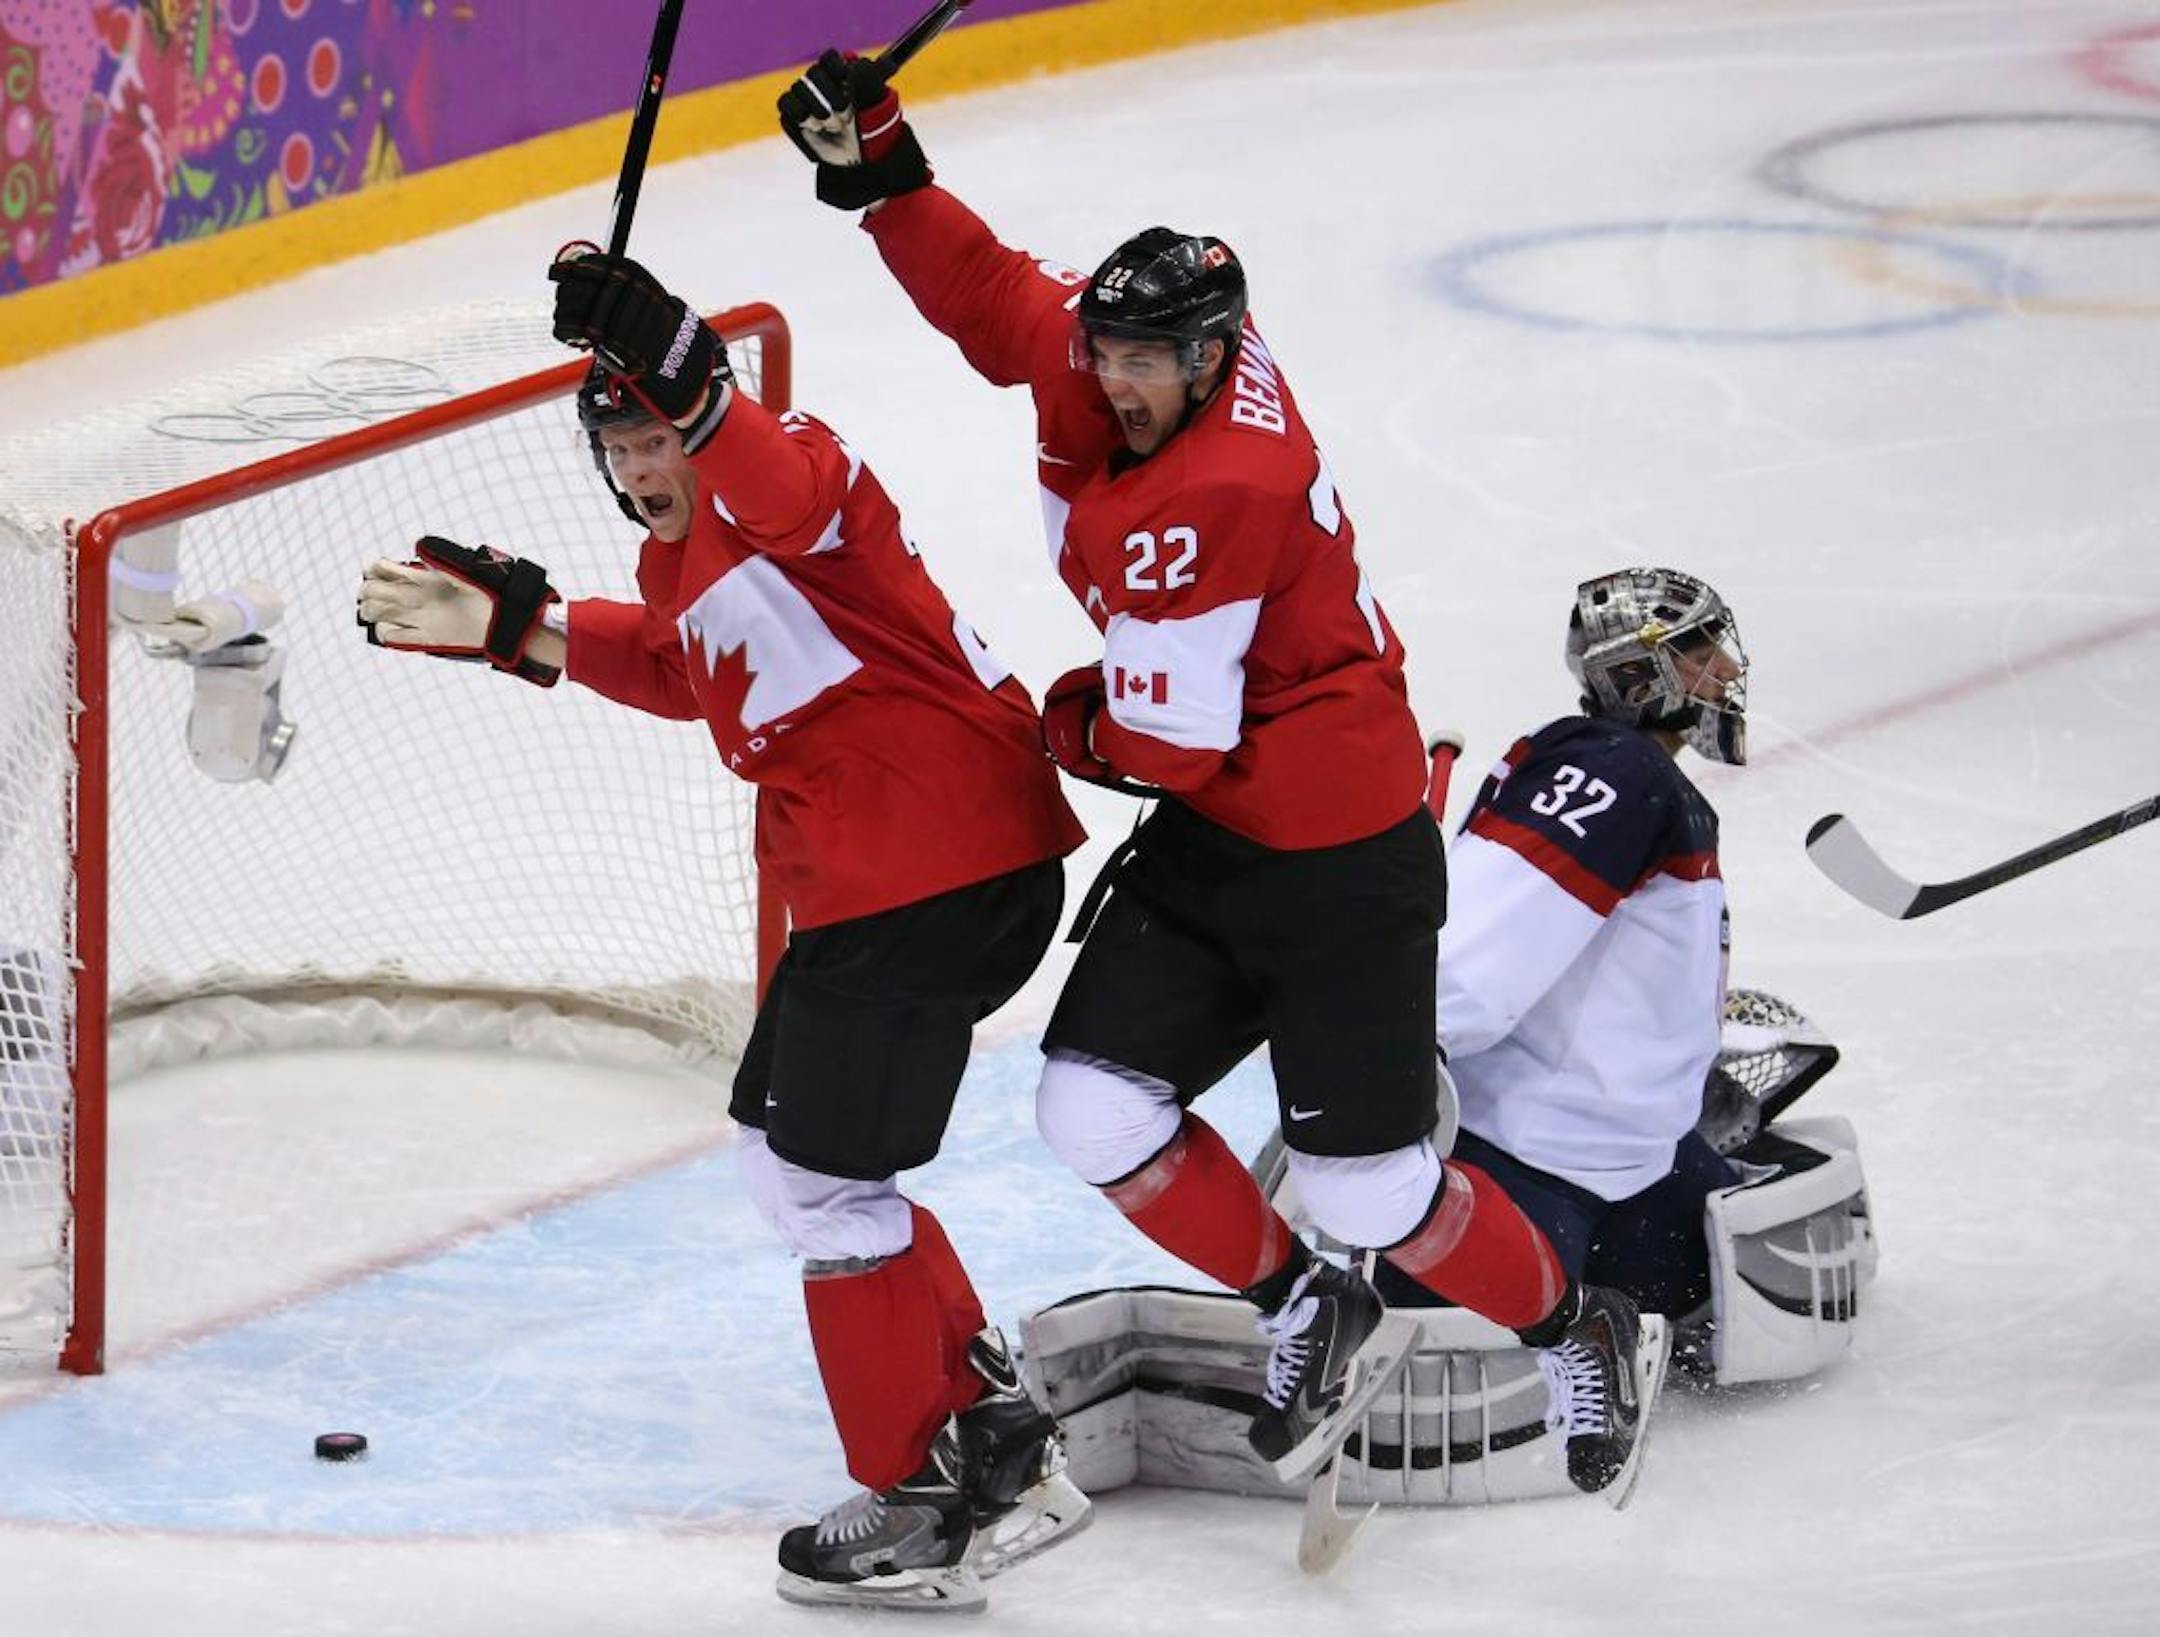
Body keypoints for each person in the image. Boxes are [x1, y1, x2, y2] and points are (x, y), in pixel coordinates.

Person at [775, 51, 1665, 1503]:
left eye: (1145, 366)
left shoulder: (1219, 491)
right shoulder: (1137, 351)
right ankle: (1304, 1298)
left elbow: (1163, 736)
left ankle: (1582, 1325)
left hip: (1337, 846)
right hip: (1222, 827)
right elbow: (997, 293)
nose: (1115, 384)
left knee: (1375, 1186)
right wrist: (878, 166)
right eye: (1108, 357)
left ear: (1210, 359)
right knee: (1091, 1109)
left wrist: (1055, 723)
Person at [355, 253, 1091, 1613]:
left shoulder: (796, 478)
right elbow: (693, 670)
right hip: (900, 875)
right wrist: (530, 628)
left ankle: (925, 1502)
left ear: (702, 413)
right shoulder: (679, 550)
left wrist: (679, 353)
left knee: (819, 1185)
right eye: (618, 443)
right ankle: (986, 1424)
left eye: (656, 433)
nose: (642, 464)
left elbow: (776, 477)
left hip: (931, 865)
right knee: (783, 1151)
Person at [1377, 568, 1875, 1388]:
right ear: (1642, 676)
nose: (1725, 668)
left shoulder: (1635, 777)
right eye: (1698, 649)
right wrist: (1395, 1048)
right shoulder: (1617, 771)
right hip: (1527, 1174)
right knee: (1457, 1384)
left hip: (1634, 1169)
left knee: (1768, 1272)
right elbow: (1478, 947)